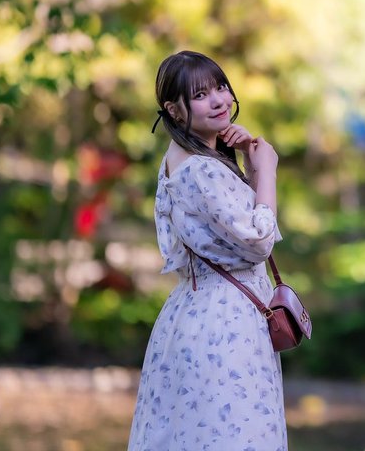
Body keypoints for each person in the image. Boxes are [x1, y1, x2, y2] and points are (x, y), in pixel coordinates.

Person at [128, 50, 288, 450]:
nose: (218, 100)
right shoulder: (200, 169)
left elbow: (234, 220)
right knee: (233, 434)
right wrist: (267, 170)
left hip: (198, 312)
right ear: (174, 110)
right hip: (225, 323)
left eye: (220, 87)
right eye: (200, 95)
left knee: (200, 432)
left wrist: (248, 162)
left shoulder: (187, 158)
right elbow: (257, 240)